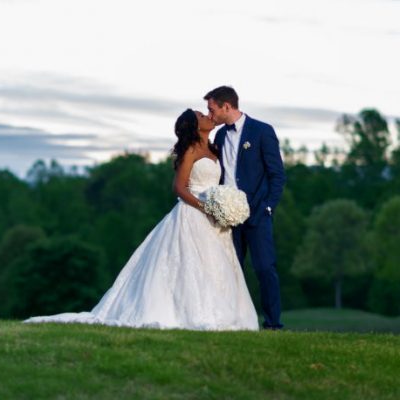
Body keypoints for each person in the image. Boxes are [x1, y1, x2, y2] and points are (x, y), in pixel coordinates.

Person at [24, 109, 259, 331]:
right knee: (192, 265)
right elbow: (178, 187)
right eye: (201, 115)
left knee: (216, 266)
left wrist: (224, 206)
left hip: (215, 219)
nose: (207, 116)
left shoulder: (214, 149)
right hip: (193, 214)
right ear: (195, 126)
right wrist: (205, 207)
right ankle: (190, 312)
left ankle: (223, 311)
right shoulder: (191, 150)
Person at [205, 86, 286, 330]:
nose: (210, 115)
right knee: (231, 271)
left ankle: (273, 324)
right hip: (227, 218)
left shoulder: (262, 131)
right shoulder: (219, 137)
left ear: (226, 106)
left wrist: (269, 207)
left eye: (212, 109)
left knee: (264, 268)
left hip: (258, 214)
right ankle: (233, 322)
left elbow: (277, 175)